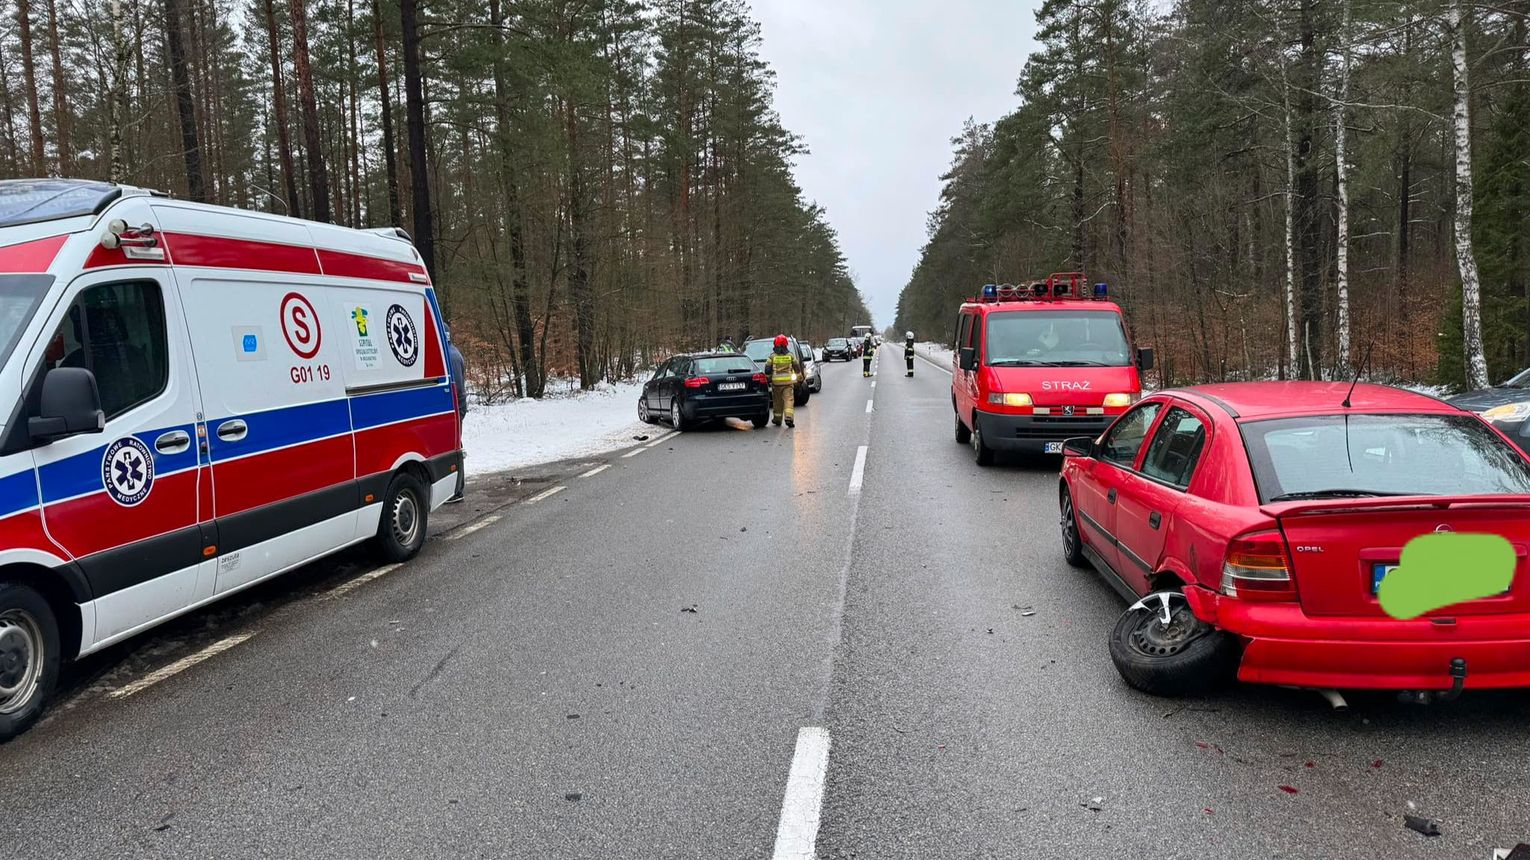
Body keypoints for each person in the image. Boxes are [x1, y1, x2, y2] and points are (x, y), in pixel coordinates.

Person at [446, 337, 468, 503]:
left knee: (455, 446)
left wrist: (457, 411)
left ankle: (457, 490)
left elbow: (457, 387)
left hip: (455, 408)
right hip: (456, 407)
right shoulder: (452, 352)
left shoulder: (451, 356)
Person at [766, 334, 802, 428]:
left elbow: (767, 369)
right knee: (788, 400)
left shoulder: (772, 357)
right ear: (786, 344)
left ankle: (777, 419)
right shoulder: (790, 356)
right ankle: (789, 417)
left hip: (776, 384)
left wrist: (768, 378)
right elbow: (797, 367)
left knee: (777, 401)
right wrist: (799, 378)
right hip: (788, 383)